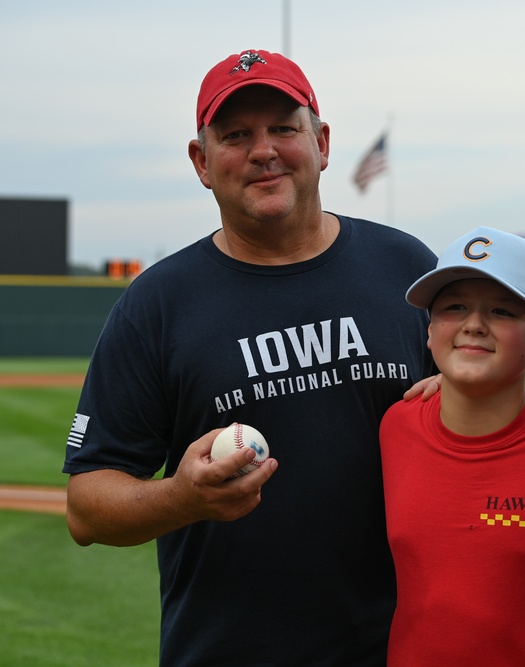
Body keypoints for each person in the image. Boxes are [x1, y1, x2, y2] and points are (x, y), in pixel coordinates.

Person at [62, 49, 437, 666]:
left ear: (321, 142)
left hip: (400, 650)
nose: (264, 150)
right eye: (236, 135)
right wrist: (181, 498)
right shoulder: (158, 304)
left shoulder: (406, 270)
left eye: (283, 129)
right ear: (201, 161)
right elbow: (86, 507)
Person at [380, 226, 525, 666]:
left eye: (502, 311)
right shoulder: (396, 426)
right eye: (455, 307)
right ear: (430, 332)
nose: (473, 324)